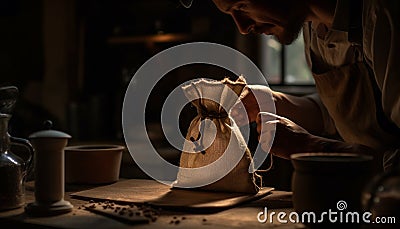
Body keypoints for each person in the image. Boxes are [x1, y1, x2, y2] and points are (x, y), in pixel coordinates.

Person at [187, 0, 400, 172]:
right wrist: (273, 102)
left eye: (241, 6)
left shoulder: (382, 16)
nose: (242, 28)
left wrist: (312, 148)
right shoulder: (313, 27)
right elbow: (343, 112)